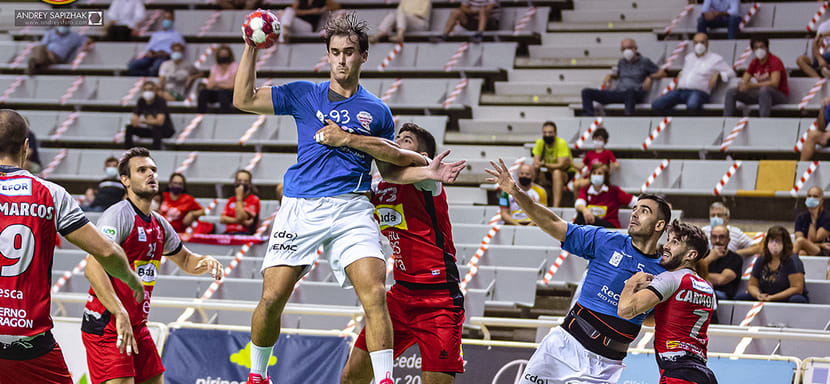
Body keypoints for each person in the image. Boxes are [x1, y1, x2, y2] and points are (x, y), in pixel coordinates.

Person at [232, 13, 437, 384]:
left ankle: (385, 380)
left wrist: (426, 170)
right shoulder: (302, 94)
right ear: (327, 56)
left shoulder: (378, 111)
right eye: (335, 52)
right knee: (272, 297)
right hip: (300, 207)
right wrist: (250, 48)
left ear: (363, 56)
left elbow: (389, 170)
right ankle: (258, 376)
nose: (342, 60)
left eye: (349, 52)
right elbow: (243, 98)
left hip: (351, 207)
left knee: (374, 292)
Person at [486, 159, 670, 384]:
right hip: (564, 346)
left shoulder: (664, 272)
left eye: (644, 211)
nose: (634, 214)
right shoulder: (605, 239)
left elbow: (654, 318)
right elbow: (553, 223)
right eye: (634, 209)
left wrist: (637, 306)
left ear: (659, 225)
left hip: (605, 366)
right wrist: (514, 191)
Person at [0, 109, 143, 384]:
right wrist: (131, 279)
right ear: (26, 147)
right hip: (30, 345)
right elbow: (106, 251)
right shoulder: (49, 194)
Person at [334, 123, 467, 384]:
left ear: (422, 155)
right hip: (400, 296)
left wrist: (348, 138)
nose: (396, 142)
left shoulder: (428, 179)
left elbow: (397, 158)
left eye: (406, 140)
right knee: (351, 377)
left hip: (439, 299)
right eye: (396, 138)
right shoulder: (379, 187)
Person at [81, 147, 224, 384]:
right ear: (125, 180)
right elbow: (92, 268)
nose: (151, 174)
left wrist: (204, 261)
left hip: (136, 325)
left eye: (153, 170)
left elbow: (186, 260)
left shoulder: (159, 224)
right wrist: (119, 312)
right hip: (108, 323)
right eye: (142, 170)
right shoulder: (117, 216)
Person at [618, 220, 718, 384]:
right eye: (668, 239)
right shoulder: (706, 287)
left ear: (691, 255)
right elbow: (663, 320)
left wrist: (631, 283)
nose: (666, 245)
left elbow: (625, 310)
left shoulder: (670, 278)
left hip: (678, 373)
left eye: (675, 242)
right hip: (702, 374)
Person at [651, 33, 735, 115]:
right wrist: (680, 75)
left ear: (707, 43)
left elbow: (731, 73)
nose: (699, 45)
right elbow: (687, 72)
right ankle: (678, 120)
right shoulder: (689, 57)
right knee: (657, 104)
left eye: (702, 42)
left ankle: (691, 123)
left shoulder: (715, 59)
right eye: (696, 42)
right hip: (680, 90)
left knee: (692, 106)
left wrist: (719, 75)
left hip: (699, 92)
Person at [581, 38, 659, 116]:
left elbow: (662, 73)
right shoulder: (621, 63)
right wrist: (609, 76)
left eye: (629, 48)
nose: (626, 51)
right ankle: (588, 118)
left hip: (635, 93)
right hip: (619, 93)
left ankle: (629, 120)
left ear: (635, 49)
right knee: (586, 92)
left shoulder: (645, 61)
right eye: (624, 49)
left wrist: (650, 77)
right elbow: (618, 75)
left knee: (630, 92)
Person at [736, 226, 809, 303]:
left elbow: (797, 288)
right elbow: (752, 285)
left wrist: (773, 297)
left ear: (785, 243)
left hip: (786, 297)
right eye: (771, 241)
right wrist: (758, 295)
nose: (774, 244)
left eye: (778, 241)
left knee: (796, 299)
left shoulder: (792, 260)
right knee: (740, 297)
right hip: (766, 295)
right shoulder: (762, 259)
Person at [724, 37, 789, 118]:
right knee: (731, 92)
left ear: (767, 48)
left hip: (779, 95)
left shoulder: (774, 61)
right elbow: (744, 80)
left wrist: (752, 86)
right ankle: (726, 121)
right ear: (753, 50)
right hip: (761, 95)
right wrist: (742, 85)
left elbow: (774, 83)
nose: (759, 50)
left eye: (761, 47)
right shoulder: (754, 62)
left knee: (764, 90)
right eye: (756, 48)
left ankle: (762, 122)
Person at [574, 163, 636, 229]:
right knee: (581, 216)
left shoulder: (614, 191)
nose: (596, 175)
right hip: (592, 226)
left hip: (609, 227)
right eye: (594, 173)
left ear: (605, 176)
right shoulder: (585, 189)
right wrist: (585, 210)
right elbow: (579, 204)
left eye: (599, 173)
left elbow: (634, 201)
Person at [126, 11, 185, 77]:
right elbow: (148, 48)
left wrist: (163, 53)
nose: (166, 20)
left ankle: (150, 78)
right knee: (133, 66)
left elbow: (179, 49)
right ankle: (147, 77)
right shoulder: (156, 34)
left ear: (173, 19)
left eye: (168, 18)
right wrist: (150, 52)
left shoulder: (176, 35)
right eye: (165, 18)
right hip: (151, 57)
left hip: (164, 57)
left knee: (156, 67)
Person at [531, 121, 572, 207]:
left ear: (555, 133)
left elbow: (560, 165)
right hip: (548, 172)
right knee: (532, 169)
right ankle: (533, 204)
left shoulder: (561, 143)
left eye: (550, 132)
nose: (547, 135)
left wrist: (544, 164)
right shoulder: (540, 142)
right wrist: (539, 165)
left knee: (557, 172)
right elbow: (536, 162)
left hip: (566, 173)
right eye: (545, 132)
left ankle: (555, 207)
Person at [124, 81, 175, 150]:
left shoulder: (160, 101)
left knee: (157, 128)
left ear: (155, 91)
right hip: (150, 129)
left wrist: (144, 121)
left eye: (150, 89)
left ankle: (156, 151)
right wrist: (149, 120)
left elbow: (160, 122)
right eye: (145, 89)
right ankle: (129, 152)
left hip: (165, 130)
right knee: (129, 128)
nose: (148, 92)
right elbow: (134, 120)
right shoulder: (141, 101)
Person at [27, 24, 92, 75]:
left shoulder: (74, 36)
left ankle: (34, 64)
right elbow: (43, 44)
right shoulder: (50, 33)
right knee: (37, 48)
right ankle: (37, 63)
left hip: (58, 58)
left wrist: (85, 46)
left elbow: (88, 40)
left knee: (35, 58)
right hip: (47, 54)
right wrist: (49, 52)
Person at [705, 225, 743, 300]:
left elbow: (721, 279)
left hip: (723, 294)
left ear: (728, 240)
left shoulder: (735, 258)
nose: (717, 241)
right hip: (702, 291)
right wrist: (709, 259)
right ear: (710, 239)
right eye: (714, 237)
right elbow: (691, 274)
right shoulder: (704, 255)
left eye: (721, 237)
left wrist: (699, 276)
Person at [198, 45, 238, 114]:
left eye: (225, 54)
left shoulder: (235, 66)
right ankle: (201, 115)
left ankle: (225, 116)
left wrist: (217, 84)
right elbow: (209, 86)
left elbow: (232, 85)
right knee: (203, 93)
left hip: (230, 94)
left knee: (223, 93)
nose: (223, 56)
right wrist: (224, 83)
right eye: (221, 54)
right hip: (217, 93)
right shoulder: (214, 68)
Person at [220, 169, 260, 235]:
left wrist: (239, 198)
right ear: (235, 182)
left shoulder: (254, 200)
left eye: (245, 181)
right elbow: (222, 219)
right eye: (239, 181)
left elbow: (240, 217)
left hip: (244, 234)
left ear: (249, 184)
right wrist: (242, 222)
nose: (242, 184)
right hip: (228, 234)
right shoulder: (231, 200)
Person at [792, 186, 830, 256]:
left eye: (815, 196)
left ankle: (785, 264)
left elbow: (814, 239)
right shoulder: (801, 217)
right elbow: (798, 239)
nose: (811, 199)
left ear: (822, 201)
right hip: (813, 247)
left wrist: (813, 219)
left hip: (824, 250)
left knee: (801, 241)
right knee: (801, 253)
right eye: (809, 196)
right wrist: (821, 245)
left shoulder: (828, 217)